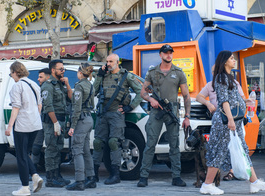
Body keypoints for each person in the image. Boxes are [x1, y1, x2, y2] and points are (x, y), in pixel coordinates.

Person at [200, 50, 265, 195]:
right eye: (232, 58)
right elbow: (224, 101)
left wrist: (243, 101)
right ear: (225, 61)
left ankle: (255, 182)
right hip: (225, 122)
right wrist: (231, 120)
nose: (235, 60)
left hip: (234, 122)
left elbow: (232, 98)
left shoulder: (229, 78)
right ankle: (207, 185)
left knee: (242, 150)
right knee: (218, 151)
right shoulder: (221, 78)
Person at [137, 44, 191, 187]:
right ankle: (143, 176)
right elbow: (143, 92)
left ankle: (176, 176)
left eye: (170, 53)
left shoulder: (178, 72)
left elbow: (186, 96)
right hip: (156, 111)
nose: (169, 55)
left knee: (174, 144)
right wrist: (151, 99)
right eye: (166, 53)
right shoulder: (153, 72)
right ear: (160, 55)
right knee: (150, 144)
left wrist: (187, 116)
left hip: (171, 109)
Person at [93, 53, 142, 185]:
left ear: (117, 62)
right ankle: (94, 174)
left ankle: (115, 175)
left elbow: (141, 92)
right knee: (98, 142)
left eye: (111, 61)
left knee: (114, 142)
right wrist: (99, 76)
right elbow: (93, 92)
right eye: (107, 61)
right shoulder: (103, 75)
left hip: (116, 113)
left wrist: (130, 107)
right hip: (103, 112)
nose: (108, 64)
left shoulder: (126, 76)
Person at [196, 65, 246, 181]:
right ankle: (209, 182)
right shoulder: (211, 85)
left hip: (234, 118)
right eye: (213, 72)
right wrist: (208, 104)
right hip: (221, 119)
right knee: (220, 148)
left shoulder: (234, 83)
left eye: (215, 71)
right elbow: (199, 97)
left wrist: (244, 103)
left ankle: (234, 172)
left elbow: (241, 98)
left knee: (237, 146)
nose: (214, 74)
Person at [5, 61, 44, 196]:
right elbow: (39, 106)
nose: (12, 76)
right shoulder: (34, 84)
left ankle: (25, 188)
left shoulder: (17, 87)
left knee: (21, 156)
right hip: (35, 124)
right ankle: (35, 176)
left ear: (15, 72)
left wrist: (9, 126)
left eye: (11, 74)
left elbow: (16, 108)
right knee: (25, 153)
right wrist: (34, 117)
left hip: (22, 125)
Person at [41, 59, 72, 187]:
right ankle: (50, 178)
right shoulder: (48, 85)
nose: (63, 71)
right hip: (51, 122)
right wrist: (55, 123)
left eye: (63, 69)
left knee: (58, 149)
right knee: (51, 150)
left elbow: (71, 97)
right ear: (53, 70)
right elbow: (48, 107)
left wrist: (68, 84)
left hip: (60, 120)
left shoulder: (60, 84)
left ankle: (57, 175)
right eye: (61, 69)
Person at [66, 63, 96, 191]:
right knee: (86, 150)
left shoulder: (79, 86)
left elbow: (76, 108)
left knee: (77, 150)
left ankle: (79, 181)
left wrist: (72, 126)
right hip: (89, 118)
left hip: (81, 121)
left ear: (80, 72)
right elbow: (92, 104)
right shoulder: (90, 85)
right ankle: (91, 178)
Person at [32, 68, 51, 170]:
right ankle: (33, 170)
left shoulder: (49, 88)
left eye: (41, 77)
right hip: (39, 121)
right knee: (36, 147)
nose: (38, 79)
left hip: (48, 121)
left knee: (50, 147)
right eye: (38, 77)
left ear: (48, 77)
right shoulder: (37, 89)